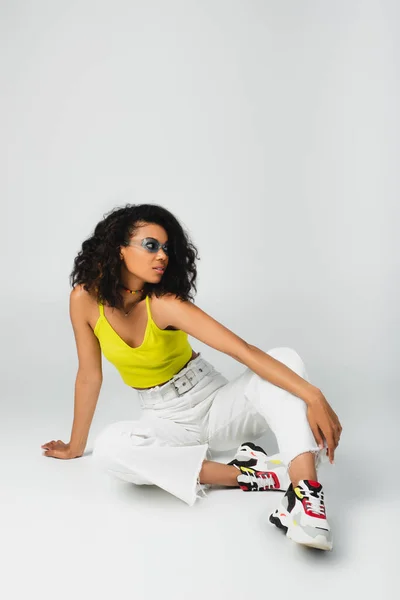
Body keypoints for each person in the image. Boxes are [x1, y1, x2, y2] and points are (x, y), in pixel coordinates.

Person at [42, 204, 342, 551]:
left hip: (216, 408)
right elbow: (89, 377)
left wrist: (313, 395)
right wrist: (76, 446)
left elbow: (243, 351)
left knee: (284, 358)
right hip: (166, 420)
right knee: (110, 449)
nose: (162, 256)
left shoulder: (165, 304)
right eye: (151, 245)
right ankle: (257, 474)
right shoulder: (83, 299)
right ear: (119, 249)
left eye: (167, 248)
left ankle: (305, 501)